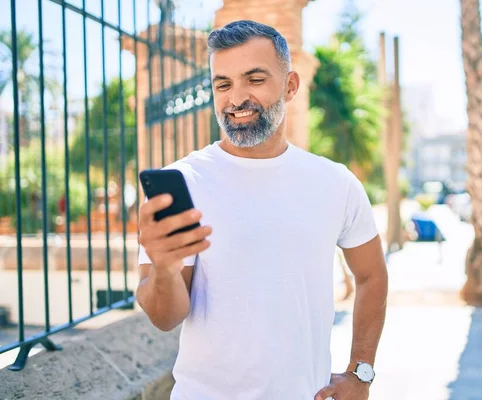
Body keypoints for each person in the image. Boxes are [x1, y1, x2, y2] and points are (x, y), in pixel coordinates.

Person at [136, 20, 388, 400]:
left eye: (254, 79)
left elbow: (372, 276)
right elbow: (164, 317)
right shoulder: (183, 183)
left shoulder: (336, 183)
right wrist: (164, 270)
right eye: (223, 84)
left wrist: (361, 373)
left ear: (290, 86)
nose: (236, 98)